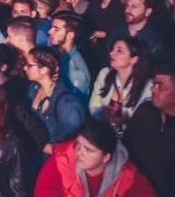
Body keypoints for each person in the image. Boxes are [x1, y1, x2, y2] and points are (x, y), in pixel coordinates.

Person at [34, 118, 155, 196]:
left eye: (88, 150)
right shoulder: (62, 160)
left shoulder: (129, 177)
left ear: (106, 157)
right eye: (78, 144)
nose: (79, 152)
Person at [123, 61, 175, 195]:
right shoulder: (145, 111)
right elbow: (123, 150)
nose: (153, 89)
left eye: (160, 86)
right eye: (154, 84)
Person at [25, 46, 85, 152]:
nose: (25, 68)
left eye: (29, 65)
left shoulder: (66, 104)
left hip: (54, 159)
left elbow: (75, 145)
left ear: (44, 70)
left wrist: (45, 147)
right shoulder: (33, 89)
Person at [89, 36, 152, 137]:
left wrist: (124, 120)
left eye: (119, 51)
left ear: (134, 59)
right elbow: (93, 105)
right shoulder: (104, 74)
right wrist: (103, 114)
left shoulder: (148, 88)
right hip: (102, 134)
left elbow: (145, 126)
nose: (111, 53)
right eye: (112, 49)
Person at [47, 11, 90, 102]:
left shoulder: (76, 71)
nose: (49, 32)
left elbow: (73, 104)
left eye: (56, 29)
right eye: (51, 28)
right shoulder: (56, 55)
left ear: (70, 35)